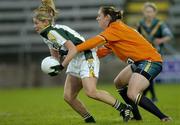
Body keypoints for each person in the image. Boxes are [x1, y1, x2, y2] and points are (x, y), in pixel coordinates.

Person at [59, 6, 172, 122]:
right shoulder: (115, 31)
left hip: (150, 61)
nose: (97, 18)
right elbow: (101, 52)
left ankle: (164, 117)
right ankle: (136, 117)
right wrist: (80, 55)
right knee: (119, 83)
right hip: (140, 62)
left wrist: (73, 50)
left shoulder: (115, 29)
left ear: (107, 17)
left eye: (99, 16)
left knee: (132, 93)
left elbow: (94, 42)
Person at [33, 0, 132, 123]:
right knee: (68, 97)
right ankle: (89, 120)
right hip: (75, 59)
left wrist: (62, 66)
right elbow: (55, 54)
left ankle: (124, 108)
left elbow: (73, 49)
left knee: (91, 91)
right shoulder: (46, 34)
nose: (34, 26)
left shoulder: (52, 32)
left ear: (45, 22)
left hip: (86, 56)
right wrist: (54, 65)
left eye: (36, 23)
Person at [137, 2, 173, 102]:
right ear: (144, 12)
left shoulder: (159, 24)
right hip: (143, 53)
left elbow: (169, 35)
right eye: (147, 11)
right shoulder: (140, 24)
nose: (148, 14)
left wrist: (161, 40)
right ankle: (151, 96)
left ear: (154, 13)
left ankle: (146, 95)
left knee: (148, 74)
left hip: (156, 53)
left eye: (150, 12)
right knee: (147, 75)